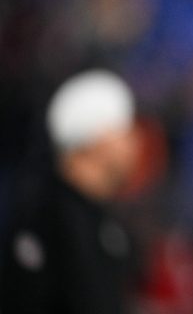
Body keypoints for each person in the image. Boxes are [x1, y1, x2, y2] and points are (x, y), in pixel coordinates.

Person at [0, 69, 139, 313]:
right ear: (98, 137)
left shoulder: (106, 224)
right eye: (124, 131)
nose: (134, 142)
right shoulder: (44, 216)